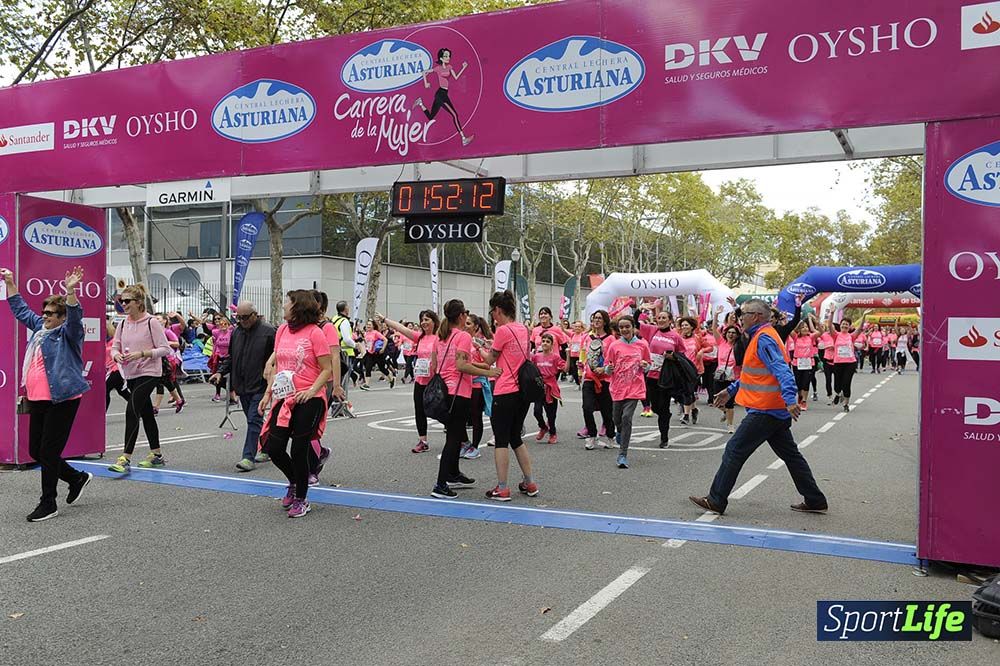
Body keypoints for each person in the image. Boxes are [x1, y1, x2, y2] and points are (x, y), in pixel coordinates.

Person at [690, 299, 828, 516]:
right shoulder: (762, 336)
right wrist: (731, 390)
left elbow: (782, 370)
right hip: (774, 411)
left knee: (734, 450)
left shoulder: (764, 338)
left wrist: (791, 399)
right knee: (791, 456)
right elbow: (752, 375)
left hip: (766, 411)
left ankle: (716, 499)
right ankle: (815, 499)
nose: (739, 317)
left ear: (755, 316)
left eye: (743, 313)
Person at [2, 267, 94, 522]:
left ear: (62, 318)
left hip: (62, 399)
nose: (45, 316)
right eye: (44, 312)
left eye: (51, 313)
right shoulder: (40, 332)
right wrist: (10, 282)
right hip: (38, 399)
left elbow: (76, 317)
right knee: (36, 450)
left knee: (49, 450)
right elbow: (20, 309)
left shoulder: (69, 335)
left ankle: (48, 502)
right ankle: (77, 478)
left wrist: (71, 292)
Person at [257, 291, 334, 518]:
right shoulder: (281, 330)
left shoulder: (315, 333)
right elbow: (280, 367)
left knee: (299, 449)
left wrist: (311, 391)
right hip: (285, 396)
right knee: (274, 447)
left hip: (309, 398)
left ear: (298, 306)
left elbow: (327, 369)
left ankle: (302, 498)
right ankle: (293, 481)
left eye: (287, 302)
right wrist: (268, 394)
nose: (284, 305)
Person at [429, 300, 500, 498]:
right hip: (457, 393)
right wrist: (489, 371)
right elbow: (461, 365)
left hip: (445, 391)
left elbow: (435, 364)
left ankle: (453, 473)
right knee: (453, 439)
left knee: (455, 434)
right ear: (461, 316)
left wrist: (483, 368)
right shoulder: (462, 337)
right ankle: (440, 484)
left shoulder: (441, 336)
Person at [477, 290, 537, 501]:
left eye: (493, 311)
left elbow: (489, 360)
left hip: (505, 390)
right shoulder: (523, 329)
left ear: (498, 310)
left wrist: (478, 347)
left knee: (501, 439)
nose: (492, 315)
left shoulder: (502, 330)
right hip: (522, 392)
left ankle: (502, 487)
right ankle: (530, 482)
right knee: (515, 437)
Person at [109, 284, 172, 474]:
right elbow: (115, 347)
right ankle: (157, 455)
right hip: (131, 373)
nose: (123, 304)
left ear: (138, 303)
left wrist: (142, 354)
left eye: (127, 301)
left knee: (132, 410)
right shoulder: (122, 323)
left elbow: (165, 349)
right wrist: (116, 356)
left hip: (150, 372)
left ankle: (125, 458)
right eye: (122, 301)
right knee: (146, 414)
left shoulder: (151, 322)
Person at [211, 301, 276, 472]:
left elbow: (278, 357)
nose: (242, 321)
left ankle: (248, 457)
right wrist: (219, 372)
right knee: (253, 419)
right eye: (238, 318)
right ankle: (268, 447)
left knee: (254, 419)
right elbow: (231, 357)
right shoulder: (237, 332)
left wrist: (272, 377)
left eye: (245, 317)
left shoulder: (269, 332)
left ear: (255, 315)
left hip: (261, 384)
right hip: (242, 384)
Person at [378, 310, 439, 453]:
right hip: (420, 380)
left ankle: (457, 438)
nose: (424, 322)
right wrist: (385, 320)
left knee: (441, 409)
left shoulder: (440, 338)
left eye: (427, 319)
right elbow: (402, 329)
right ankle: (423, 441)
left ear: (434, 321)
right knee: (419, 411)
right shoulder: (420, 337)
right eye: (422, 320)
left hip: (435, 380)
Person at [602, 316, 651, 469]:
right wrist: (608, 369)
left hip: (635, 387)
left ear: (634, 327)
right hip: (617, 387)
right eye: (621, 327)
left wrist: (645, 365)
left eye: (627, 326)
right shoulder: (614, 346)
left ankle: (622, 454)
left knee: (626, 417)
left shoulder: (642, 345)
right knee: (617, 418)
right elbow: (606, 366)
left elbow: (648, 364)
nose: (624, 330)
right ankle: (618, 431)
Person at [638, 308, 687, 447]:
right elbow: (636, 322)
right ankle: (664, 415)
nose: (661, 320)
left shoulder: (675, 336)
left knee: (663, 408)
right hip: (651, 374)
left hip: (666, 377)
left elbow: (682, 355)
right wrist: (643, 308)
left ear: (670, 320)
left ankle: (664, 438)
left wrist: (673, 357)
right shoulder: (652, 330)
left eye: (664, 318)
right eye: (659, 318)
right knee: (655, 407)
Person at [413, 47, 474, 146]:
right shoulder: (438, 68)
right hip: (441, 94)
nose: (448, 58)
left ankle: (420, 103)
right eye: (445, 56)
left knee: (431, 116)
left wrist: (463, 67)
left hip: (443, 94)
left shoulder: (449, 67)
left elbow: (456, 77)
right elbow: (424, 72)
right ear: (441, 58)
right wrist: (425, 83)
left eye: (449, 56)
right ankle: (463, 138)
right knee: (454, 115)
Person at [581, 310, 617, 450]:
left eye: (599, 318)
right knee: (587, 408)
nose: (596, 320)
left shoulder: (611, 339)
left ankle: (610, 435)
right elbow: (583, 355)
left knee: (606, 410)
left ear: (605, 321)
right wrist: (581, 368)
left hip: (605, 380)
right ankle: (591, 434)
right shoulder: (587, 337)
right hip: (589, 378)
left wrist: (604, 369)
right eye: (595, 318)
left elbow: (614, 360)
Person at [462, 314, 494, 458]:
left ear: (476, 327)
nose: (465, 325)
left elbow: (487, 364)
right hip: (462, 385)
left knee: (475, 417)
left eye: (468, 323)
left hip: (477, 385)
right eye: (465, 322)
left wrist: (470, 364)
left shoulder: (478, 343)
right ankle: (465, 444)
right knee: (461, 417)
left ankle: (474, 447)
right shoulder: (461, 340)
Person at [676, 316, 713, 425]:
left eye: (686, 325)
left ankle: (686, 415)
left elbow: (710, 347)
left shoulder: (697, 337)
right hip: (681, 369)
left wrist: (701, 351)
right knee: (687, 392)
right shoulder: (678, 338)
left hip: (695, 369)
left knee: (688, 391)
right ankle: (694, 409)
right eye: (682, 325)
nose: (684, 327)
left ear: (692, 327)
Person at [531, 332, 565, 445]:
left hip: (551, 388)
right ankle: (543, 427)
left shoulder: (555, 357)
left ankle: (553, 433)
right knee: (536, 411)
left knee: (551, 414)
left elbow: (565, 368)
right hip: (539, 387)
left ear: (552, 345)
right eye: (543, 341)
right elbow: (531, 369)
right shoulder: (536, 356)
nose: (545, 343)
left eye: (548, 342)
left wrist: (568, 355)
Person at [827, 313, 864, 412]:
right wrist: (831, 313)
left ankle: (846, 404)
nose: (844, 326)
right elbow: (829, 325)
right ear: (840, 325)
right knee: (837, 385)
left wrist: (863, 316)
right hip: (838, 363)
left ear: (849, 326)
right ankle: (838, 394)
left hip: (850, 363)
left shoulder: (851, 336)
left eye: (847, 324)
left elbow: (860, 329)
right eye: (843, 324)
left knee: (846, 384)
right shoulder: (836, 335)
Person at [151, 313, 185, 415]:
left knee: (162, 382)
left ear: (165, 320)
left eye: (158, 319)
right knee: (166, 382)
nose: (156, 320)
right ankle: (179, 400)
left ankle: (155, 407)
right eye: (154, 319)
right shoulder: (153, 332)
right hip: (157, 358)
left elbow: (177, 343)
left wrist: (166, 343)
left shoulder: (167, 331)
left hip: (168, 359)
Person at [790, 319, 819, 410]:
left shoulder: (811, 337)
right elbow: (791, 330)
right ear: (799, 329)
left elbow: (820, 332)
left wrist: (813, 321)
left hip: (809, 363)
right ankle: (800, 396)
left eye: (806, 327)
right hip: (797, 363)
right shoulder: (795, 337)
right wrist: (798, 322)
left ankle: (804, 401)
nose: (805, 329)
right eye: (803, 327)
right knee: (798, 383)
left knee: (806, 382)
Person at [105, 320, 131, 411]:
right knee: (122, 392)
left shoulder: (114, 341)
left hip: (117, 369)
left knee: (105, 390)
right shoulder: (102, 341)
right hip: (108, 370)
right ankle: (139, 409)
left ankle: (103, 414)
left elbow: (123, 352)